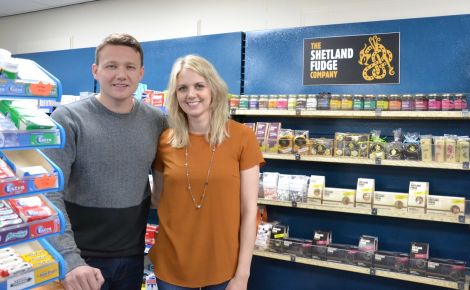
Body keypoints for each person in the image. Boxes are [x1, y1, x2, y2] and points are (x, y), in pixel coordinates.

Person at [43, 33, 167, 290]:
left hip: (133, 258)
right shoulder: (68, 118)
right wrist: (70, 260)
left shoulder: (157, 121)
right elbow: (49, 192)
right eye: (111, 66)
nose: (121, 75)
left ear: (141, 73)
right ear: (95, 71)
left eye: (129, 67)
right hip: (81, 263)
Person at [149, 55, 264, 290]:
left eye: (199, 86)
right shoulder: (165, 141)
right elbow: (158, 198)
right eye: (182, 88)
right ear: (175, 95)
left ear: (213, 89)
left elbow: (249, 209)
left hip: (224, 268)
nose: (191, 95)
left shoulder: (242, 137)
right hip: (172, 267)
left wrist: (243, 274)